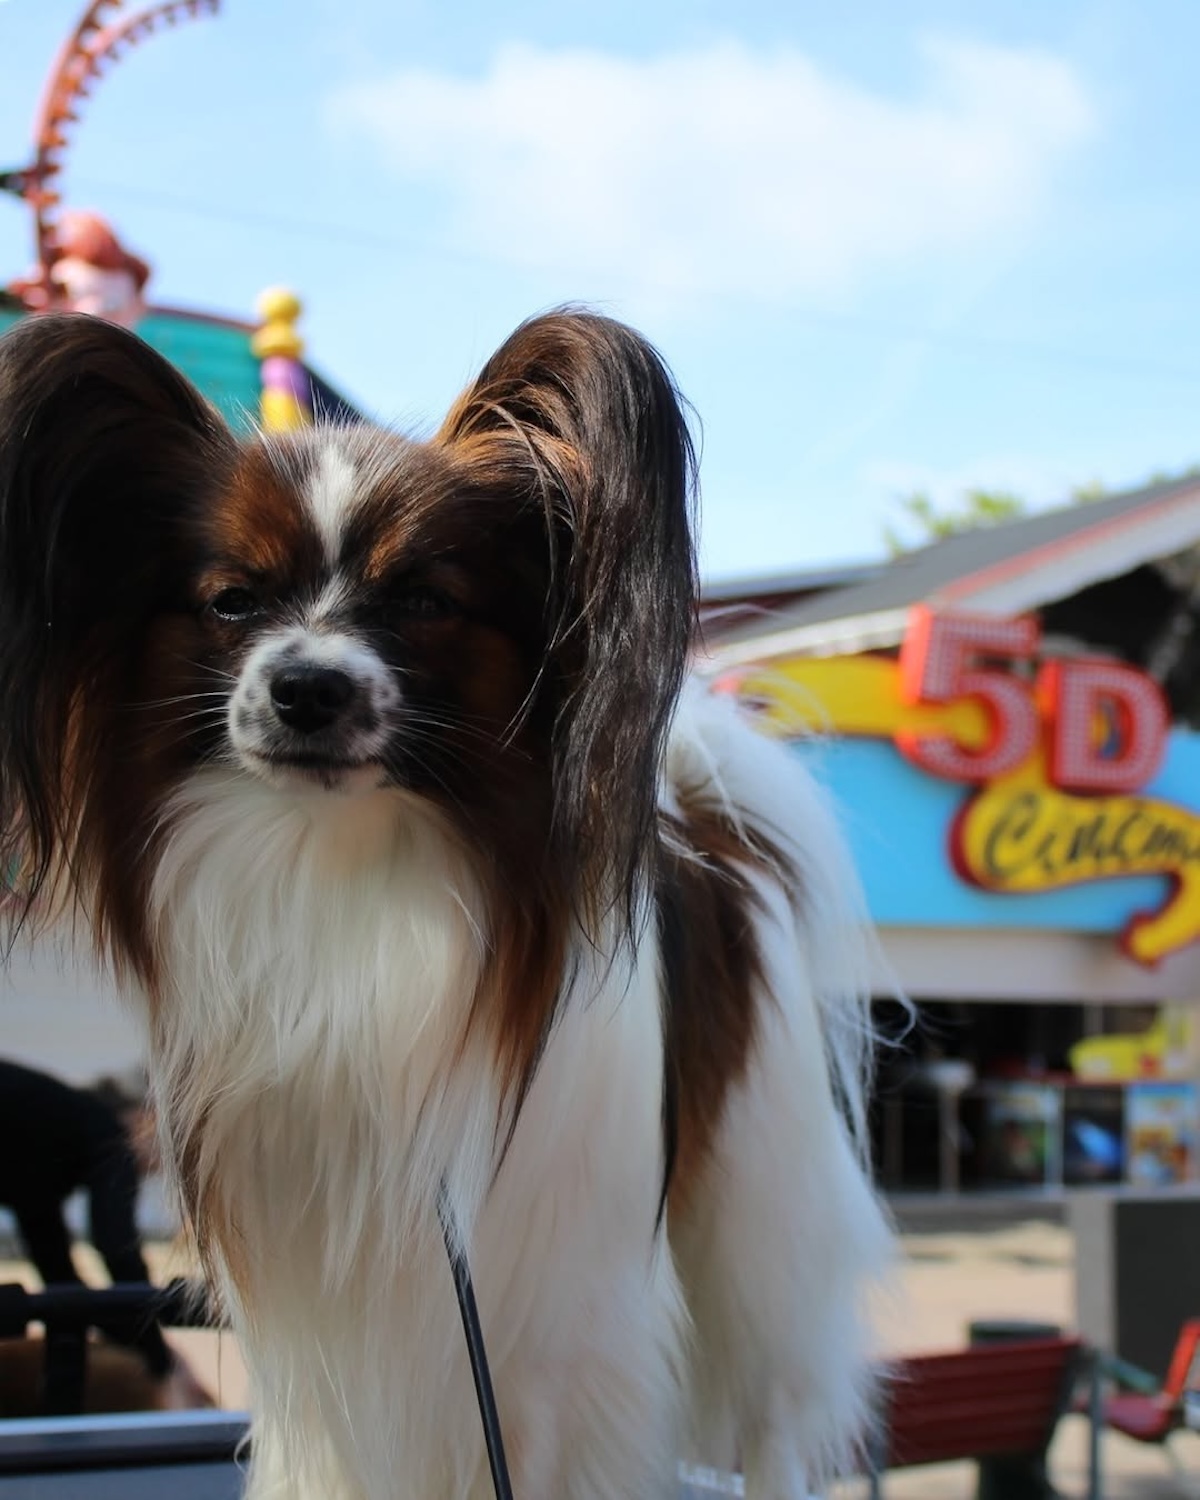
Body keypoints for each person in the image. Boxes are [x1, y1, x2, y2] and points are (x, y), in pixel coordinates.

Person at [0, 1057, 209, 1408]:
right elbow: (117, 1251)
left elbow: (60, 1280)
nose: (163, 1168)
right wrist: (163, 1365)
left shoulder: (42, 1145)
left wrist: (149, 1349)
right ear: (148, 1118)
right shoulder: (106, 1133)